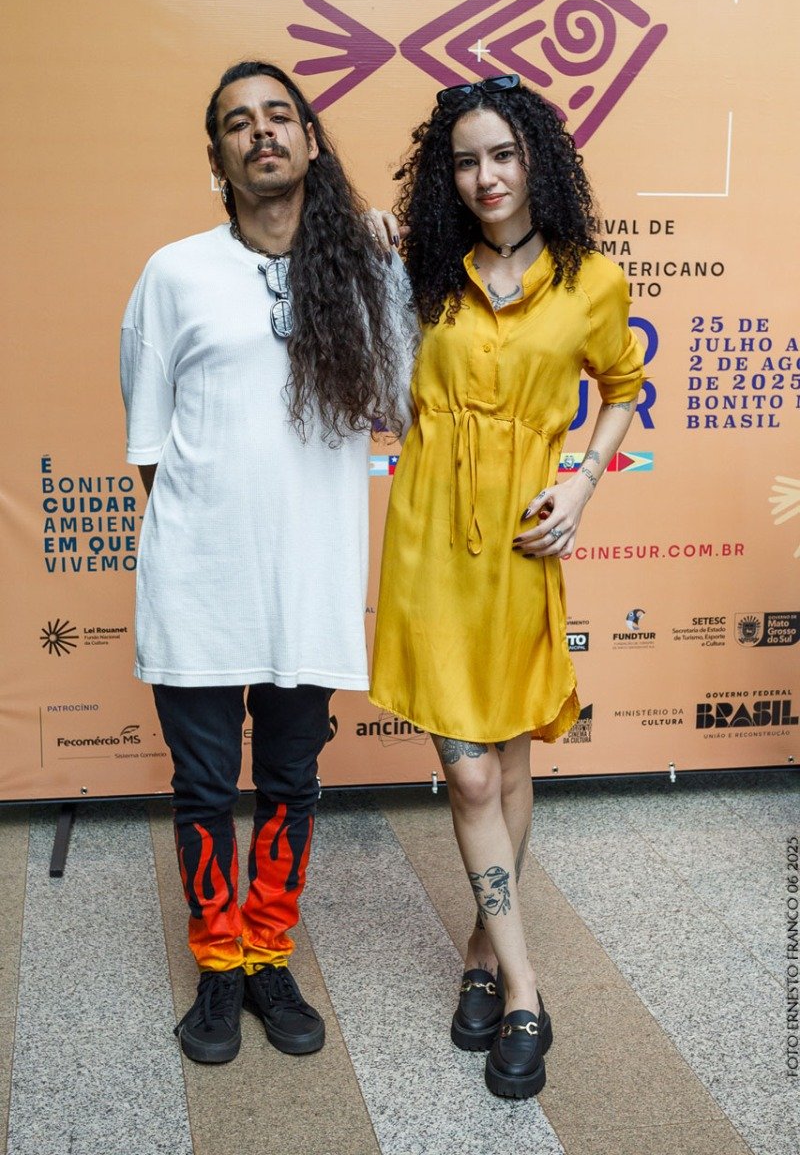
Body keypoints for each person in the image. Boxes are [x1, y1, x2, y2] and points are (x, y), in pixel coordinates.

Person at [121, 61, 413, 1065]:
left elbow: (408, 400)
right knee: (204, 786)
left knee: (291, 779)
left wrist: (386, 254)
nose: (262, 133)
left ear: (310, 140)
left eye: (279, 115)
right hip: (199, 582)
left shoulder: (366, 272)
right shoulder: (174, 273)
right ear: (218, 157)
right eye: (238, 123)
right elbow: (149, 442)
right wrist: (207, 541)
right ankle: (218, 962)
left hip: (310, 581)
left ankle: (268, 952)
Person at [369, 74, 645, 1099]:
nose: (485, 176)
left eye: (502, 154)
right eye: (465, 161)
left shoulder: (591, 282)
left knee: (513, 759)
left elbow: (623, 389)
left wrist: (582, 483)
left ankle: (483, 956)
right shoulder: (422, 275)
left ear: (537, 160)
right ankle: (526, 989)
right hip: (429, 546)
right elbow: (367, 366)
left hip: (523, 546)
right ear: (445, 177)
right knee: (471, 775)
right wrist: (366, 252)